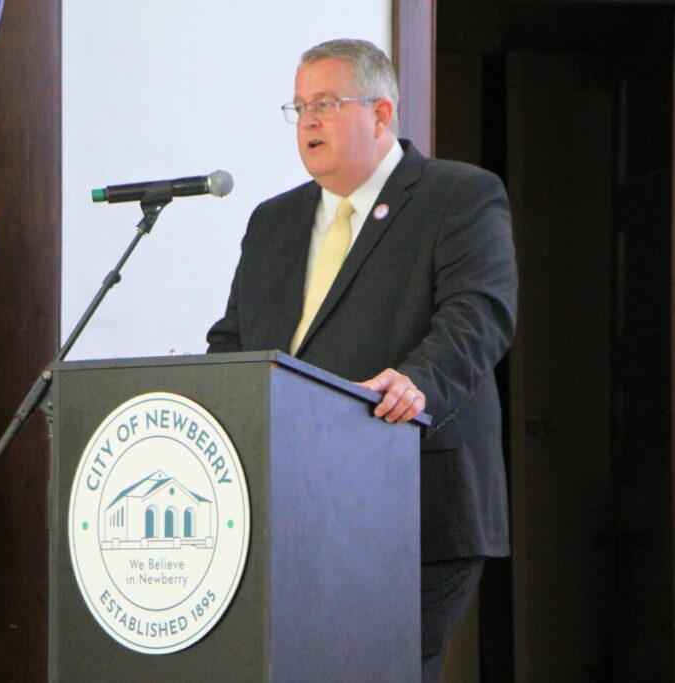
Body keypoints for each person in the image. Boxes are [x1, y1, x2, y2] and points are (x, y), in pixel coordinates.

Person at [206, 38, 517, 681]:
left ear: (381, 114)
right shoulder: (274, 222)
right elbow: (233, 341)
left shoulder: (458, 196)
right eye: (298, 107)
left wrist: (418, 384)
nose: (309, 121)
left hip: (415, 502)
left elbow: (478, 316)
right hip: (292, 511)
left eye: (326, 102)